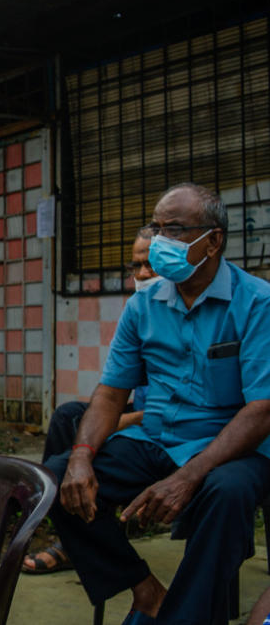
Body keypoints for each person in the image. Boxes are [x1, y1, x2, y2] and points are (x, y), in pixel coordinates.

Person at [45, 183, 270, 624]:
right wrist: (81, 456)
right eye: (157, 228)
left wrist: (188, 477)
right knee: (55, 479)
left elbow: (261, 409)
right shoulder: (143, 304)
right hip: (159, 439)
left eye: (175, 230)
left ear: (214, 239)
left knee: (227, 493)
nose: (161, 241)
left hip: (230, 449)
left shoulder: (257, 303)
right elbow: (111, 393)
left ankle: (183, 619)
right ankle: (148, 593)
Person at [22, 228, 158, 574]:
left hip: (166, 422)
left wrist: (112, 425)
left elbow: (172, 410)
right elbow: (114, 389)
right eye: (136, 265)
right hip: (140, 411)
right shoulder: (138, 311)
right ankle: (74, 527)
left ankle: (82, 533)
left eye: (152, 265)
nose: (142, 275)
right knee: (68, 416)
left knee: (81, 430)